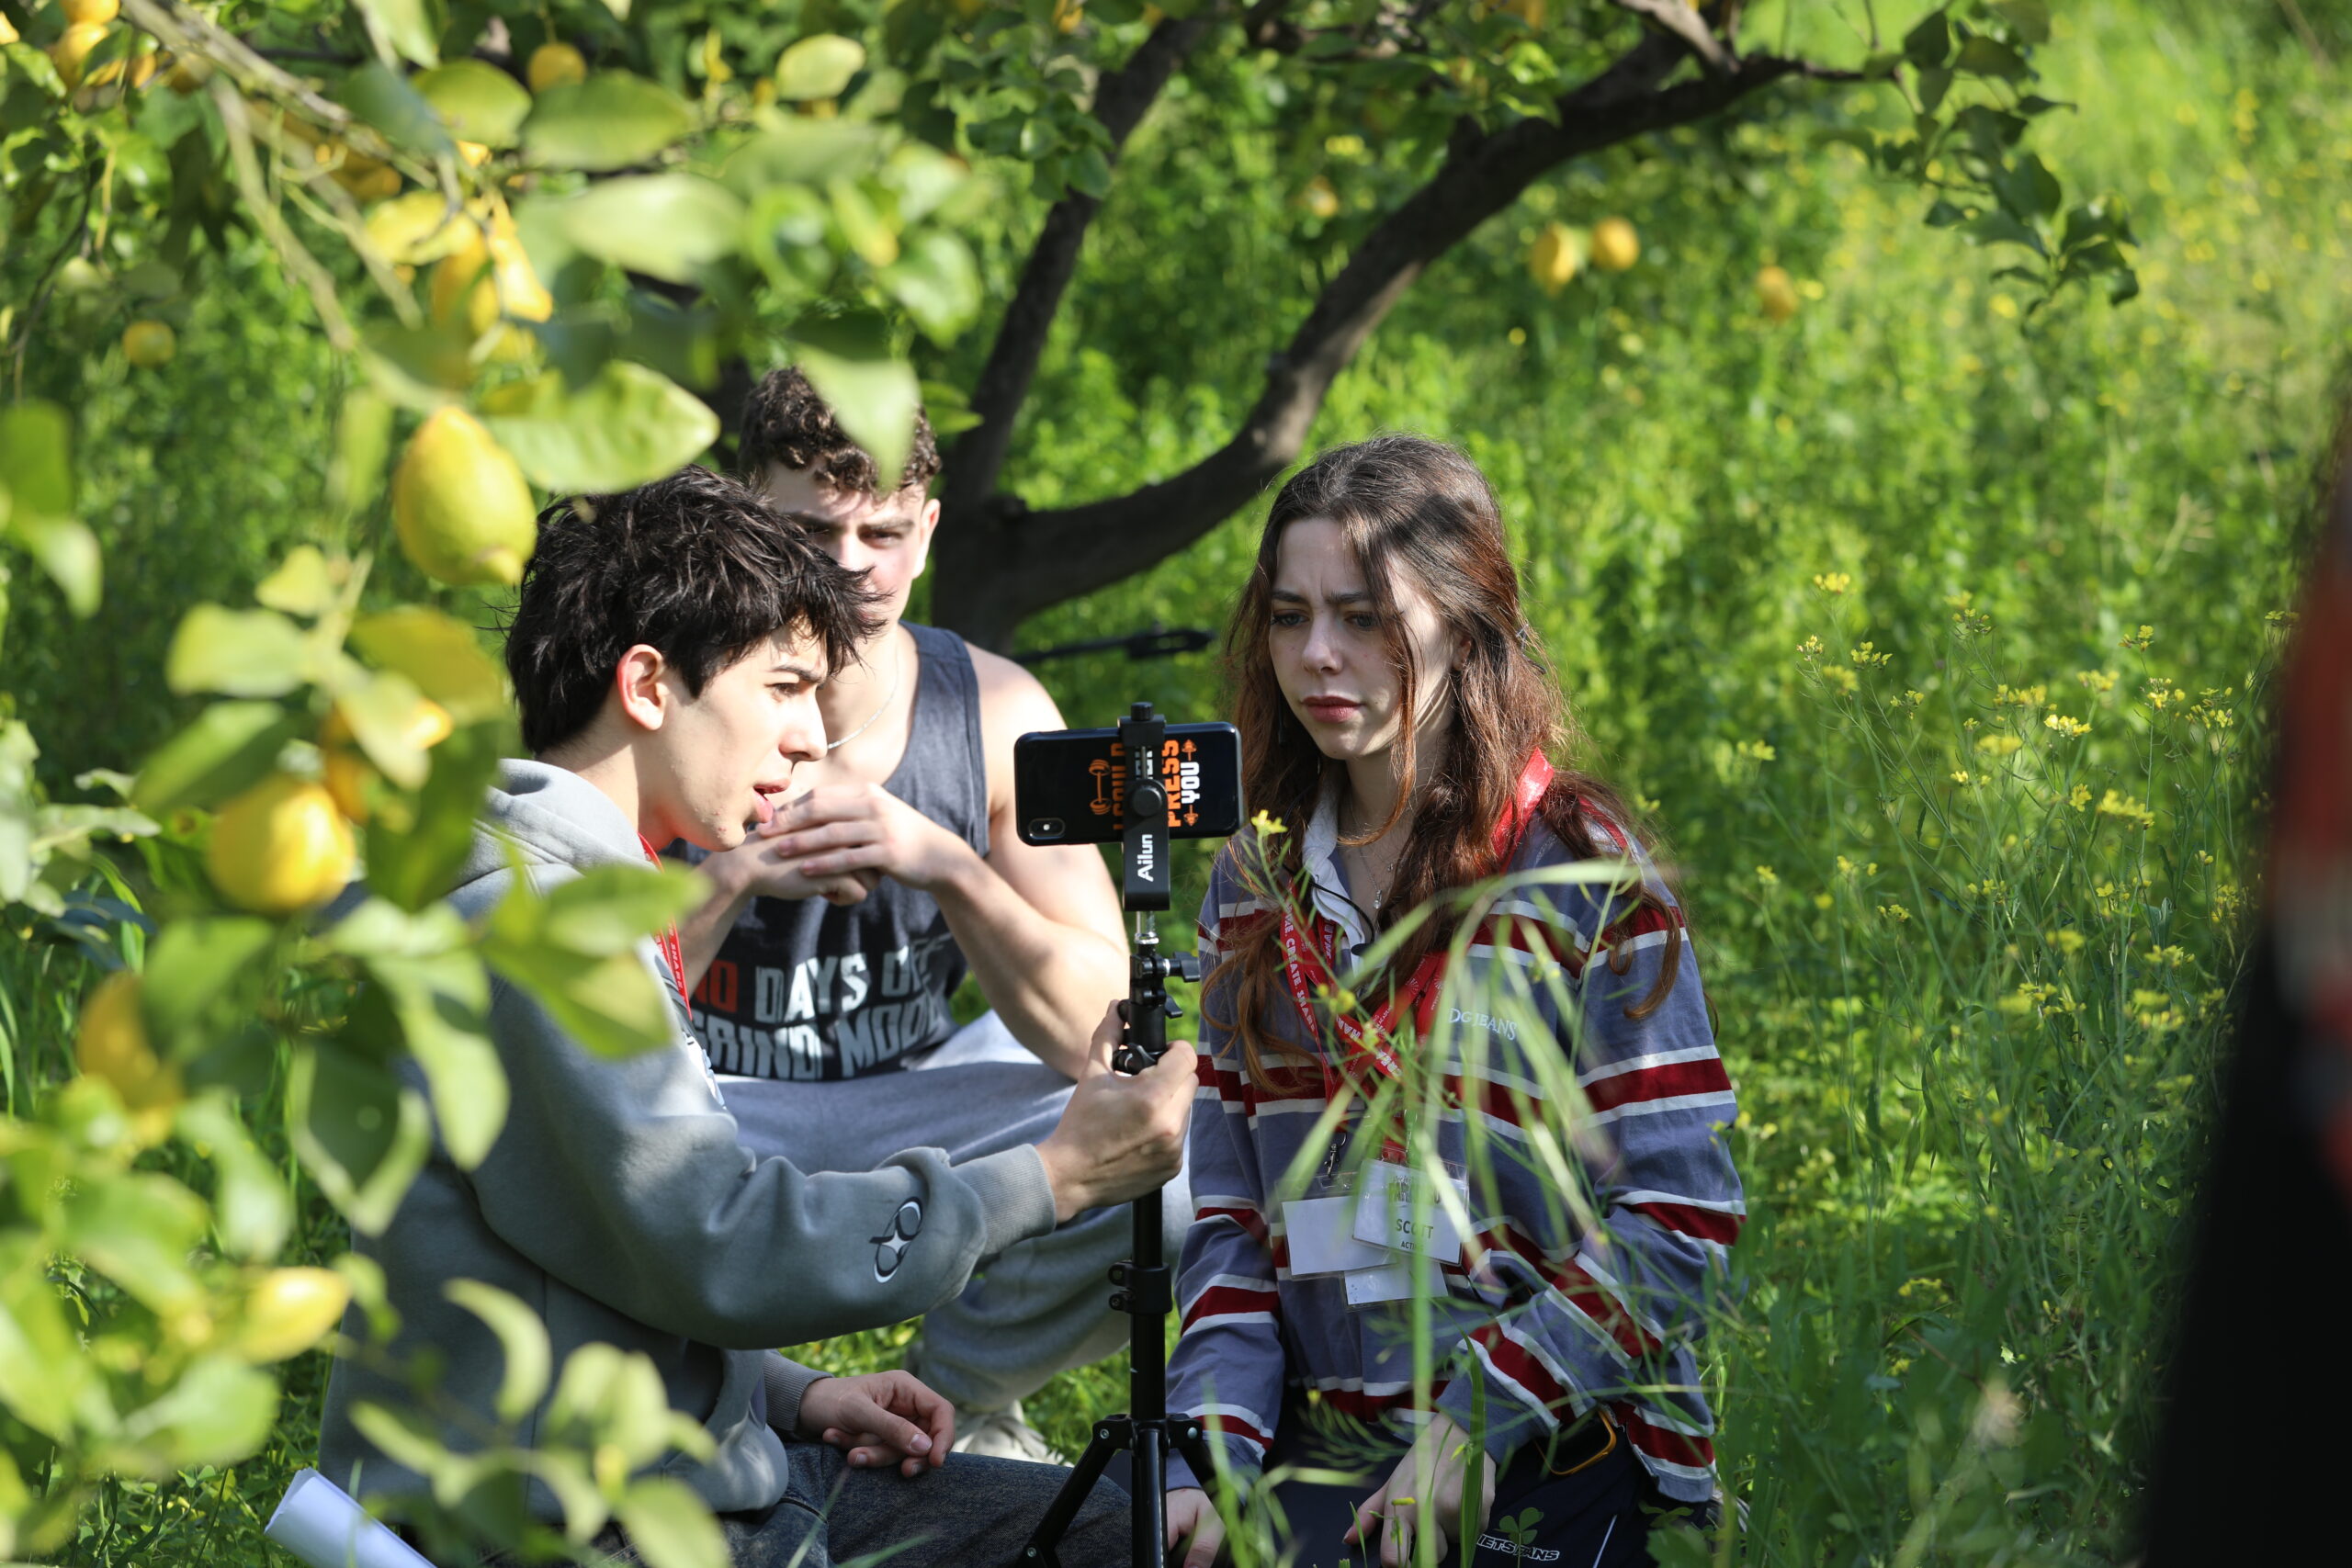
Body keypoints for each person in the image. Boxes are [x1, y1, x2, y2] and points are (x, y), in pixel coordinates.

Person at [315, 467, 1197, 1568]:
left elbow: (594, 1268)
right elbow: (719, 1244)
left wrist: (793, 1396)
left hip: (706, 1473)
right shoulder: (540, 932)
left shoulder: (575, 899)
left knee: (1129, 1533)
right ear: (647, 685)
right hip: (585, 1530)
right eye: (783, 687)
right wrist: (1054, 1178)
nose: (807, 739)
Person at [1159, 437, 1746, 1568]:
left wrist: (1478, 1419)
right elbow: (1231, 1220)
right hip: (1321, 1444)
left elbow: (1681, 1220)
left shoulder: (1578, 873)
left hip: (1555, 1437)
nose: (1317, 654)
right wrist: (1212, 1449)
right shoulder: (1254, 880)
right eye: (1289, 617)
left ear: (1467, 626)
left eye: (1364, 617)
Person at [670, 370, 1165, 1461]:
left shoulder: (993, 708)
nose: (851, 563)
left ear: (929, 531)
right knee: (564, 1173)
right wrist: (733, 875)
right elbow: (583, 1023)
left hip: (914, 1091)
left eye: (883, 533)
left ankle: (957, 1400)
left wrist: (946, 864)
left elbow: (1103, 1032)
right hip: (717, 1108)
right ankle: (754, 1407)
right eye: (813, 530)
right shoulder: (671, 698)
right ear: (747, 515)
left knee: (1170, 1135)